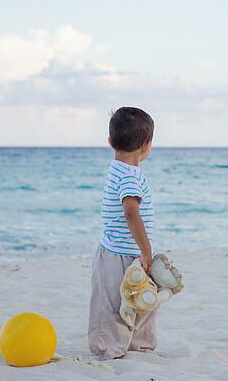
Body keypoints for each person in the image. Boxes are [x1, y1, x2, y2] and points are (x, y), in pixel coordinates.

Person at [88, 107, 157, 359]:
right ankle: (110, 348)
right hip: (119, 255)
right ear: (146, 145)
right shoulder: (129, 176)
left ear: (110, 142)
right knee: (116, 304)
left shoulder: (118, 170)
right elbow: (131, 212)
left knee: (143, 299)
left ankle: (138, 346)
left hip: (128, 253)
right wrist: (146, 249)